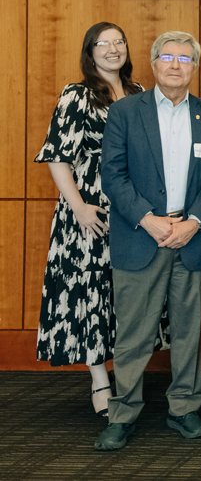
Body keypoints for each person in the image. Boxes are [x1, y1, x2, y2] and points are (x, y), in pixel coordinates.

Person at [95, 31, 201, 451]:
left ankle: (184, 409)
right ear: (153, 65)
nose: (175, 64)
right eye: (167, 57)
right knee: (133, 333)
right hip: (141, 237)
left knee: (189, 331)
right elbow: (113, 176)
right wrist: (147, 220)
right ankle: (122, 414)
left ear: (194, 67)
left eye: (184, 58)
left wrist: (193, 222)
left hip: (188, 239)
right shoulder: (125, 112)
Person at [34, 22, 148, 417]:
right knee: (93, 291)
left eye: (120, 41)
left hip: (131, 209)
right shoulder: (77, 95)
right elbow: (58, 157)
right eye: (105, 43)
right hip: (90, 210)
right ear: (91, 50)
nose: (114, 49)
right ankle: (100, 378)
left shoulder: (139, 93)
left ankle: (129, 374)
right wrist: (79, 206)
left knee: (126, 291)